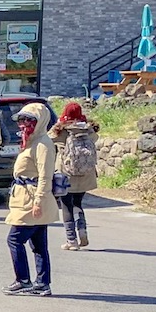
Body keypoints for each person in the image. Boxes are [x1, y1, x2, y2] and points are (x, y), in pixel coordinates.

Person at [5, 102, 58, 295]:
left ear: (40, 121)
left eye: (29, 120)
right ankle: (42, 283)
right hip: (24, 196)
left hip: (32, 198)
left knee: (14, 240)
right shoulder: (32, 140)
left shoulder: (43, 144)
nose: (23, 124)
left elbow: (46, 175)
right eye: (21, 120)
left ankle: (23, 280)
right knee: (38, 244)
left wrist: (39, 201)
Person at [50, 100, 99, 249]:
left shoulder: (61, 132)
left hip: (66, 174)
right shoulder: (89, 131)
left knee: (66, 206)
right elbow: (95, 139)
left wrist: (59, 124)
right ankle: (82, 231)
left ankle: (71, 240)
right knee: (78, 203)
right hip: (85, 173)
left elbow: (48, 138)